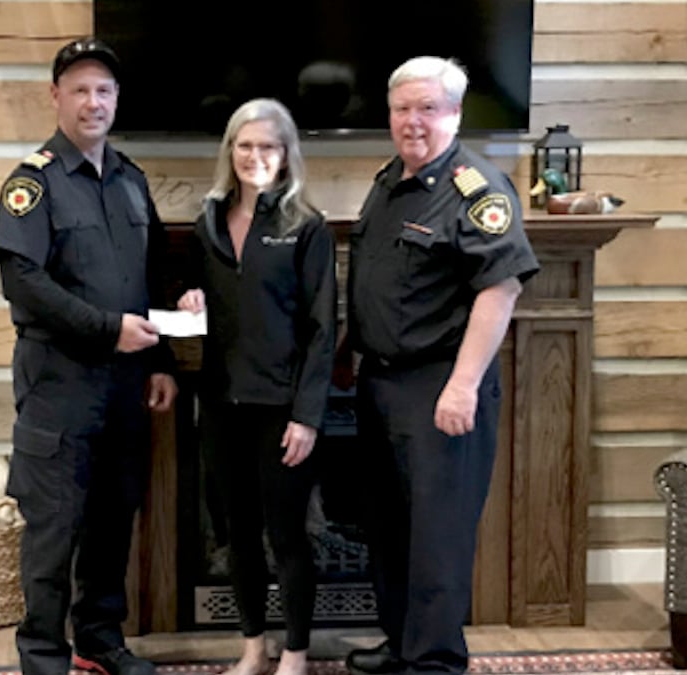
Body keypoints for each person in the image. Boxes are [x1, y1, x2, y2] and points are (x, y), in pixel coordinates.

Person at [340, 57, 540, 675]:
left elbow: (500, 287)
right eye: (402, 108)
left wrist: (462, 385)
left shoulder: (475, 189)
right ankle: (403, 645)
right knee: (389, 531)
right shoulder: (390, 181)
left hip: (439, 385)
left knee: (437, 541)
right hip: (379, 383)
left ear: (454, 112)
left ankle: (435, 663)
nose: (412, 121)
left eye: (427, 108)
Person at [0, 37, 177, 675]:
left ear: (116, 99)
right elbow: (24, 281)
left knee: (110, 522)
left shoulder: (130, 180)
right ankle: (43, 657)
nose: (92, 102)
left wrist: (160, 363)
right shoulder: (32, 183)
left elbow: (152, 273)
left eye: (103, 90)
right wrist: (105, 331)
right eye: (79, 89)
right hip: (59, 385)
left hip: (125, 384)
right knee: (52, 532)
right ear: (56, 97)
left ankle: (99, 639)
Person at [177, 98, 337, 675]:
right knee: (238, 535)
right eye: (245, 146)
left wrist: (308, 415)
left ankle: (295, 651)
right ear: (230, 152)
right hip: (221, 403)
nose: (255, 156)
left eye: (268, 145)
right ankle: (253, 646)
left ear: (287, 154)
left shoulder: (306, 228)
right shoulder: (207, 223)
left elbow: (325, 330)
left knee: (287, 535)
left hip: (283, 408)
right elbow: (198, 300)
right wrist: (189, 299)